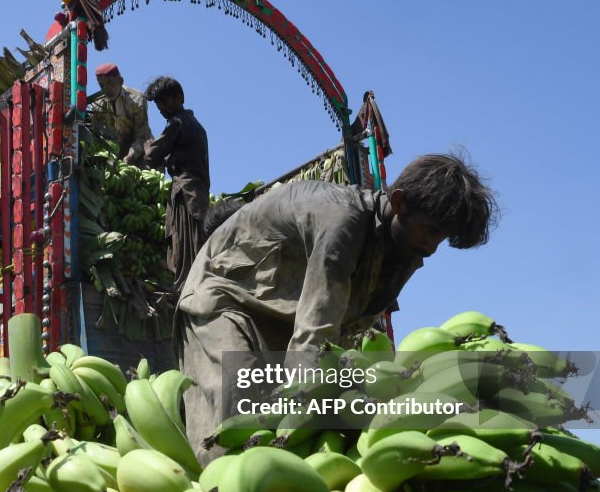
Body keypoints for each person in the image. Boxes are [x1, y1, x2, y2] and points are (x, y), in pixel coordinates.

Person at [175, 153, 499, 464]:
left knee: (288, 423)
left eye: (441, 237)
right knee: (237, 418)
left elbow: (341, 334)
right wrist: (308, 401)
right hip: (224, 296)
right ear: (398, 202)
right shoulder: (343, 220)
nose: (432, 246)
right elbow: (317, 327)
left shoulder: (404, 251)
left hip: (278, 314)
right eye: (430, 230)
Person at [143, 76, 211, 289]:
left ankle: (186, 289)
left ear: (179, 98)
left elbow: (151, 155)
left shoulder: (178, 122)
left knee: (184, 247)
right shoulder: (197, 126)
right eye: (157, 105)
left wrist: (144, 144)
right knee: (193, 245)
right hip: (197, 193)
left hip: (186, 193)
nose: (161, 109)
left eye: (164, 102)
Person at [88, 63, 153, 166]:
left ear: (120, 81)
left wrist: (131, 155)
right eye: (102, 85)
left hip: (140, 150)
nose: (107, 89)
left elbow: (141, 136)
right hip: (113, 152)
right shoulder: (97, 105)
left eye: (110, 83)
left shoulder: (137, 100)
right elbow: (92, 131)